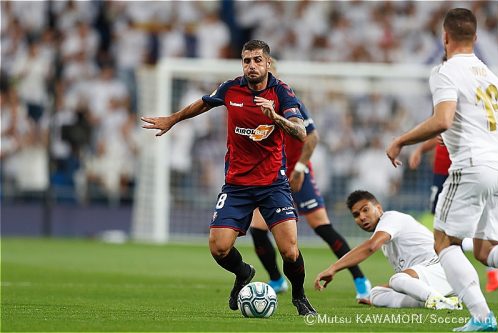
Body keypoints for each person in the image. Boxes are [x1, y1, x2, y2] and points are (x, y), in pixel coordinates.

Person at [141, 40, 317, 316]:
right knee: (219, 248)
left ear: (268, 63)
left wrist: (275, 118)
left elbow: (300, 132)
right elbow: (203, 104)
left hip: (273, 185)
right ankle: (244, 272)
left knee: (290, 252)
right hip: (237, 185)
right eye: (247, 60)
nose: (252, 66)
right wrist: (172, 119)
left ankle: (299, 297)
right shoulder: (231, 88)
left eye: (257, 60)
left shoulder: (282, 92)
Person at [386, 8, 498, 331]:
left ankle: (482, 317)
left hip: (472, 166)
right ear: (475, 38)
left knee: (444, 242)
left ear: (444, 37)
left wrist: (401, 140)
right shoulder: (492, 77)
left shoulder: (445, 71)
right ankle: (481, 316)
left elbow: (444, 119)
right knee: (485, 248)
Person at [249, 58, 371, 303]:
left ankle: (360, 280)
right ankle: (277, 280)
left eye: (267, 71)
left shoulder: (288, 100)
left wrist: (301, 168)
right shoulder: (254, 106)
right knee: (258, 229)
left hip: (298, 173)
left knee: (323, 228)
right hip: (273, 177)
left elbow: (312, 137)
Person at [314, 190, 463, 311]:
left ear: (378, 208)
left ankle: (438, 299)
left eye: (365, 210)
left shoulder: (391, 219)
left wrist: (333, 268)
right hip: (429, 278)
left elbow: (370, 247)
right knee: (376, 293)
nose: (362, 217)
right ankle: (441, 300)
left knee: (397, 279)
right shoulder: (385, 236)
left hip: (443, 269)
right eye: (356, 215)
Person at [409, 137, 498, 293]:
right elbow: (439, 130)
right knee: (480, 247)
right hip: (470, 168)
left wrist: (403, 142)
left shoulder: (461, 115)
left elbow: (440, 124)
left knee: (445, 237)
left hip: (460, 168)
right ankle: (467, 282)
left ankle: (460, 285)